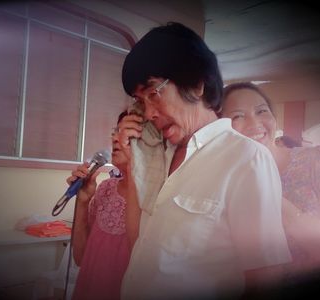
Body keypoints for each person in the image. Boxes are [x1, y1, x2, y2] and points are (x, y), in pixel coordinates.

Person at [116, 22, 291, 300]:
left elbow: (266, 276)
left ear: (196, 85)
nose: (148, 113)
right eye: (140, 101)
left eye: (153, 94)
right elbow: (139, 246)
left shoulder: (247, 159)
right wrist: (132, 166)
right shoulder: (157, 156)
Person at [218, 82, 320, 277]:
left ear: (274, 117)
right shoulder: (223, 180)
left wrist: (276, 202)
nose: (254, 123)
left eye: (262, 111)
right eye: (238, 116)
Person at [68, 111, 140, 300]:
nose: (116, 139)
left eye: (127, 133)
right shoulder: (106, 188)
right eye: (116, 131)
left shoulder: (158, 197)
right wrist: (82, 202)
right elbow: (80, 258)